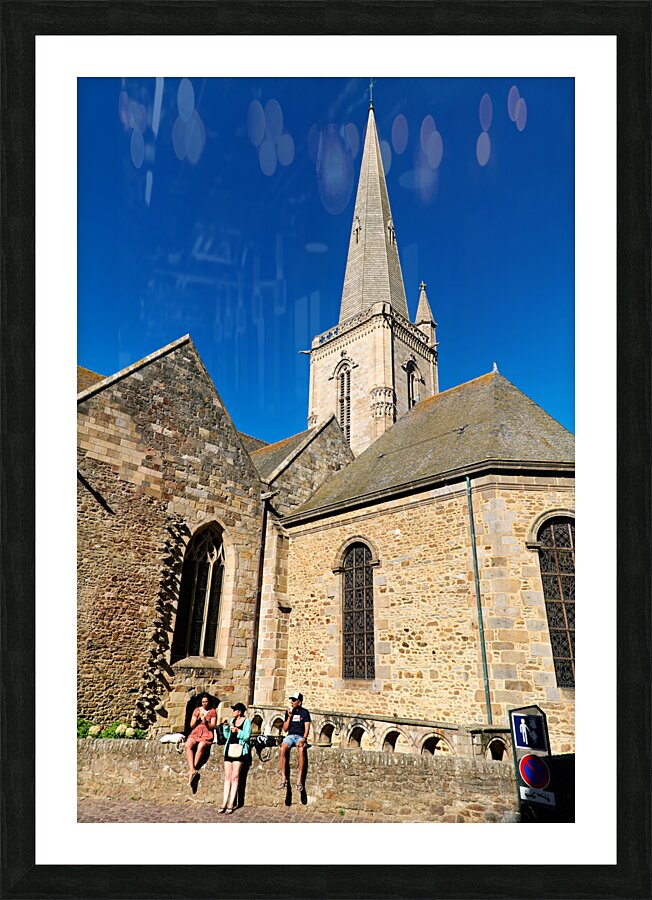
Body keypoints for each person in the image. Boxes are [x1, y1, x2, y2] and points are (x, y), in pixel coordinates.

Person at [218, 702, 252, 814]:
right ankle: (224, 802)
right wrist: (226, 728)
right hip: (229, 749)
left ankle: (231, 803)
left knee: (235, 777)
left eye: (234, 710)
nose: (233, 712)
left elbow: (247, 736)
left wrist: (238, 731)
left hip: (239, 750)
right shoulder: (232, 721)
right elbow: (227, 736)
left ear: (239, 712)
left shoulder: (246, 722)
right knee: (227, 776)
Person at [279, 691, 311, 791]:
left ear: (299, 702)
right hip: (290, 736)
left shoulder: (305, 712)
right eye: (291, 700)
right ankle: (283, 777)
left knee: (301, 750)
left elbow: (307, 728)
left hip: (300, 736)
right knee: (283, 748)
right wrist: (289, 717)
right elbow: (285, 729)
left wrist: (303, 739)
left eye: (294, 700)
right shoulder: (289, 712)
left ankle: (299, 780)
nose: (291, 702)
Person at [184, 692, 217, 789]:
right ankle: (192, 769)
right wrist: (197, 719)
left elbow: (212, 726)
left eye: (206, 702)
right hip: (196, 732)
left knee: (202, 745)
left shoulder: (212, 711)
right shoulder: (197, 710)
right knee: (188, 745)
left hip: (206, 732)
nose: (204, 703)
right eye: (203, 702)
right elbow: (191, 725)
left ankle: (192, 769)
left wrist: (206, 722)